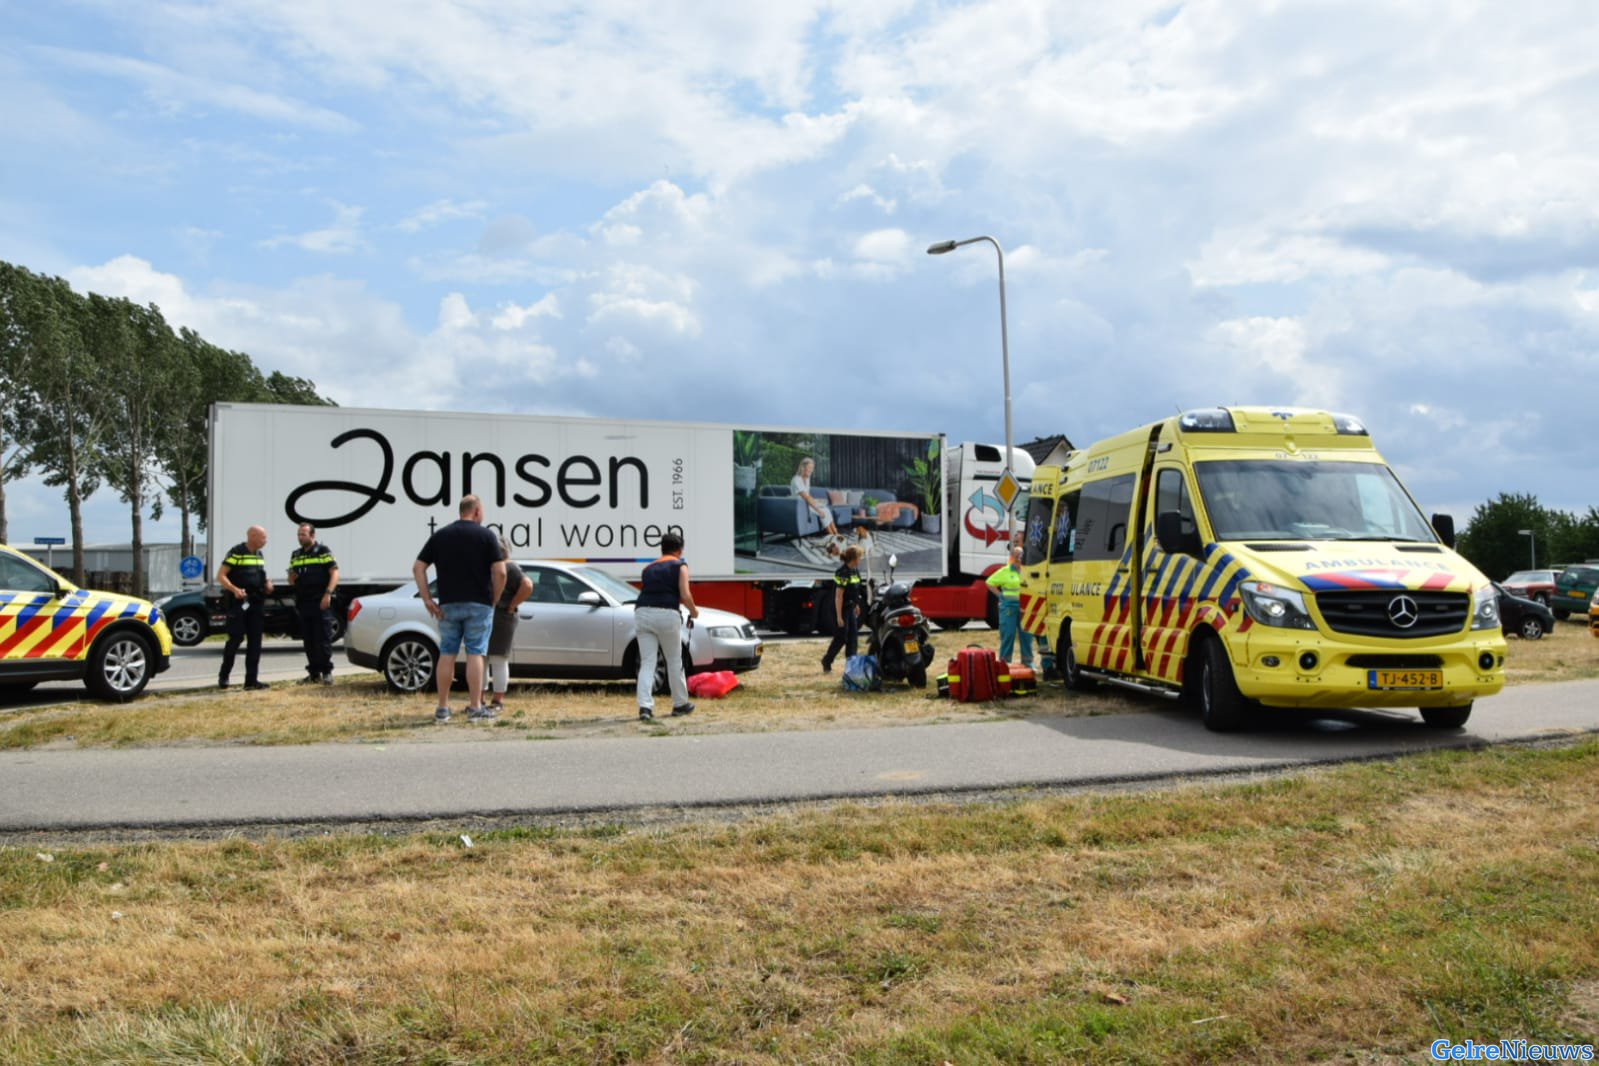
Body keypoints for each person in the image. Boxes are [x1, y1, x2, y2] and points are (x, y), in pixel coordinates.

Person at [413, 495, 507, 723]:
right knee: (475, 652)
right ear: (477, 511)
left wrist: (427, 599)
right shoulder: (487, 536)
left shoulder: (441, 535)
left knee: (447, 653)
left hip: (448, 604)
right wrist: (494, 599)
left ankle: (442, 708)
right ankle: (475, 707)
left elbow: (418, 568)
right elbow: (501, 572)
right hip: (479, 604)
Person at [634, 531, 699, 722]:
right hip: (666, 614)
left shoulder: (648, 568)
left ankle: (645, 707)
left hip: (642, 613)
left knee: (648, 662)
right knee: (674, 660)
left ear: (662, 549)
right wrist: (694, 611)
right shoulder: (680, 565)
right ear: (680, 550)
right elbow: (685, 594)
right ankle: (680, 704)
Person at [217, 525, 273, 690]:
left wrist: (267, 583)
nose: (265, 540)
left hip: (256, 603)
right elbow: (221, 575)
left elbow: (260, 575)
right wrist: (234, 589)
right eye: (263, 537)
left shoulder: (259, 554)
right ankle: (224, 676)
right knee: (235, 639)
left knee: (255, 642)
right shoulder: (237, 552)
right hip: (239, 604)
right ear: (253, 536)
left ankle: (251, 681)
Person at [287, 522, 339, 685]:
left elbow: (334, 573)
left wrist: (328, 594)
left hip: (320, 600)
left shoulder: (323, 551)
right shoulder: (296, 554)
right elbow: (291, 580)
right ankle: (314, 673)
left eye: (303, 534)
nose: (300, 537)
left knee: (323, 637)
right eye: (298, 534)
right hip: (303, 601)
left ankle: (327, 672)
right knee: (308, 639)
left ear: (312, 535)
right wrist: (291, 578)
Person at [486, 535, 533, 714]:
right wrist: (512, 605)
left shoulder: (507, 567)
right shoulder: (504, 567)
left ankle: (492, 699)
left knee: (489, 659)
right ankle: (493, 700)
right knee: (493, 659)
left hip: (500, 615)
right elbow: (526, 585)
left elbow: (527, 585)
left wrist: (512, 605)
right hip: (499, 615)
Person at [986, 545, 1035, 668]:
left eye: (1021, 555)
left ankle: (1028, 662)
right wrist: (1000, 595)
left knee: (1026, 635)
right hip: (1008, 608)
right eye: (1016, 555)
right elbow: (989, 582)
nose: (1019, 558)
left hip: (1025, 608)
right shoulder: (1005, 571)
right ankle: (1004, 663)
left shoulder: (1028, 571)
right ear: (1012, 557)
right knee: (1008, 634)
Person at [821, 543, 866, 673]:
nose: (861, 559)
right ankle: (827, 661)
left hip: (851, 608)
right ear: (854, 558)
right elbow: (838, 596)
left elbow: (855, 590)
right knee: (841, 637)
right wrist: (839, 616)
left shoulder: (855, 571)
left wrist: (856, 605)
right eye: (860, 557)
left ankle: (851, 666)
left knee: (853, 638)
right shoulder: (842, 572)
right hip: (840, 608)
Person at [789, 456, 840, 538]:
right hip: (801, 507)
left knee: (826, 509)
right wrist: (818, 511)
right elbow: (806, 497)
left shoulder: (807, 479)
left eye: (812, 468)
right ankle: (832, 536)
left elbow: (808, 495)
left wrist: (816, 502)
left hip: (807, 503)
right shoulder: (796, 480)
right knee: (823, 512)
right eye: (809, 467)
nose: (811, 470)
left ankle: (836, 533)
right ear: (803, 467)